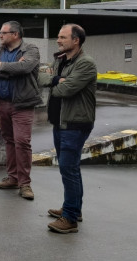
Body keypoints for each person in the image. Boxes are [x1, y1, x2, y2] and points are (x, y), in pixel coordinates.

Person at [38, 23, 96, 234]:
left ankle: (69, 218)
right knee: (70, 168)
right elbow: (39, 77)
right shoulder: (60, 60)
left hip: (75, 123)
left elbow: (66, 90)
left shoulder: (86, 63)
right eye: (58, 37)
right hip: (60, 122)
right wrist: (55, 79)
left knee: (67, 168)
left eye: (63, 37)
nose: (58, 40)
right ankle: (74, 209)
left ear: (76, 40)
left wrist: (55, 82)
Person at [0, 21, 42, 200]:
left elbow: (25, 67)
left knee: (22, 142)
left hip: (22, 104)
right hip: (1, 102)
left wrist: (1, 66)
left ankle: (25, 184)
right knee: (9, 140)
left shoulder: (31, 49)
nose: (0, 35)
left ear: (15, 34)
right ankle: (13, 178)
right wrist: (11, 70)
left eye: (3, 32)